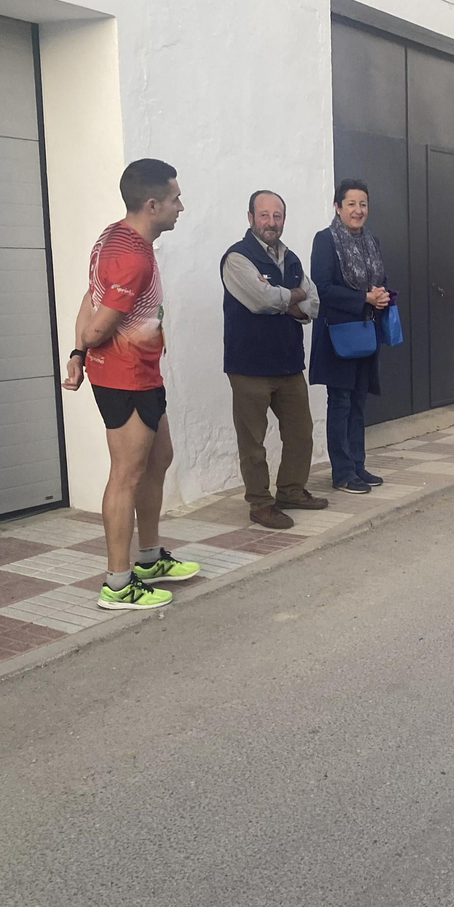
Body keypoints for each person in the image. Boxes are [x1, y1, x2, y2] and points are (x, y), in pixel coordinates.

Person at [62, 158, 201, 611]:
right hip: (126, 379)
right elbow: (98, 325)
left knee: (160, 457)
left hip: (143, 373)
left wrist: (78, 355)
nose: (181, 206)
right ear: (152, 203)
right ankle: (119, 584)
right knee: (125, 475)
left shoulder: (113, 235)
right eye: (176, 198)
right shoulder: (134, 258)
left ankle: (148, 558)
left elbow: (89, 295)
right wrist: (86, 346)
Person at [221, 190, 326, 530]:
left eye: (277, 215)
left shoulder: (291, 259)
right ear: (250, 218)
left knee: (300, 433)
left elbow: (313, 303)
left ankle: (292, 491)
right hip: (248, 365)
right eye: (264, 215)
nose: (271, 222)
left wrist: (283, 300)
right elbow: (259, 300)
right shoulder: (237, 258)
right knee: (253, 441)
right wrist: (288, 299)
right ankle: (260, 503)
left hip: (289, 362)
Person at [310, 179, 392, 495]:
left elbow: (379, 278)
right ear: (337, 207)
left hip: (364, 333)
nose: (358, 211)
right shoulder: (325, 240)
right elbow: (323, 287)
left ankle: (357, 465)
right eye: (351, 204)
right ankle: (342, 472)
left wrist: (382, 294)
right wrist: (364, 299)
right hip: (338, 336)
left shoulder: (372, 242)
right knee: (340, 402)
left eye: (363, 204)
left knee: (358, 402)